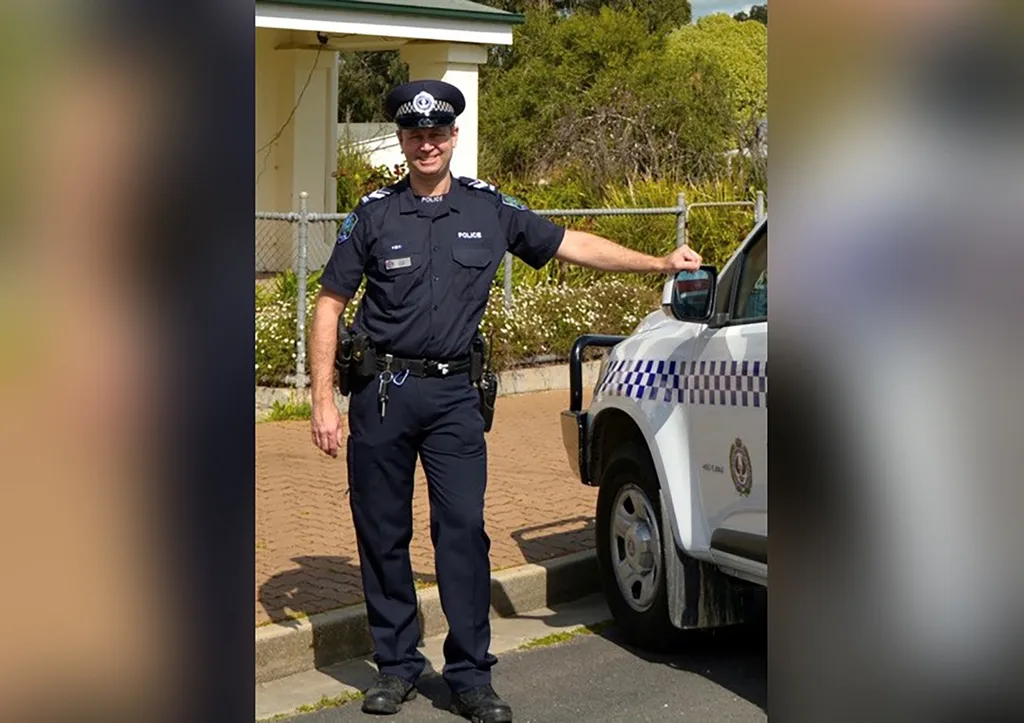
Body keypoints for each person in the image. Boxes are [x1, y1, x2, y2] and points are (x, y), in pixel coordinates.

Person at [308, 79, 702, 722]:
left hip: (454, 399)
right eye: (415, 135)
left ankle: (469, 676)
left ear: (453, 138)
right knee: (382, 534)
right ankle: (398, 665)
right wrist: (322, 400)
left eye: (437, 134)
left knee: (462, 532)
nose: (426, 144)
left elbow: (570, 242)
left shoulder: (489, 209)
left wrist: (659, 263)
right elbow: (329, 303)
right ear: (403, 142)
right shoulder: (374, 215)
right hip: (381, 396)